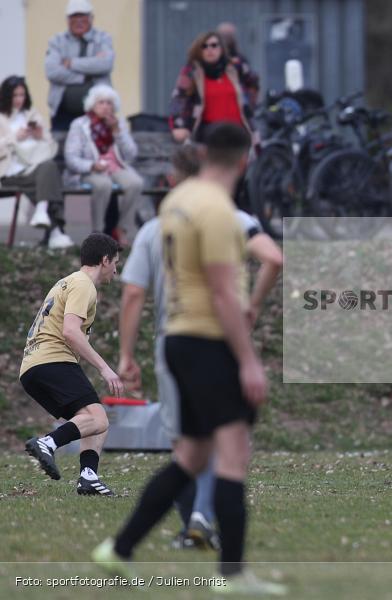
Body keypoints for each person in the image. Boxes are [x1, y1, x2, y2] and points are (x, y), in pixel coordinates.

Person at [93, 123, 285, 596]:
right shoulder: (218, 211)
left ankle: (118, 550)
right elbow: (223, 293)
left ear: (202, 154)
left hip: (177, 336)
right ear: (244, 161)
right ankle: (233, 576)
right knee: (233, 454)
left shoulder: (175, 203)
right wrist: (248, 360)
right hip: (208, 339)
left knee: (194, 454)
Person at [20, 233, 123, 495]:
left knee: (90, 416)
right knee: (98, 418)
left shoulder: (67, 282)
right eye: (115, 263)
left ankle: (88, 476)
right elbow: (70, 331)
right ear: (104, 259)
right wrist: (104, 368)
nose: (116, 270)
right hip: (52, 360)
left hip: (33, 366)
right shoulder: (84, 285)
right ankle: (47, 443)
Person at [0, 76, 73, 249]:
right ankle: (56, 231)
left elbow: (50, 147)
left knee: (48, 168)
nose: (19, 99)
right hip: (10, 171)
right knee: (49, 177)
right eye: (15, 95)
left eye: (22, 95)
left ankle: (43, 211)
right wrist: (13, 138)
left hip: (34, 166)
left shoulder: (31, 114)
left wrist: (40, 136)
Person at [64, 84, 143, 244]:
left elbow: (131, 154)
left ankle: (122, 228)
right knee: (103, 185)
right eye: (101, 103)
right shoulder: (80, 125)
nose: (106, 107)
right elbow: (71, 157)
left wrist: (117, 132)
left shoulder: (117, 123)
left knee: (136, 183)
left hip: (115, 168)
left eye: (109, 103)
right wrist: (92, 165)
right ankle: (98, 232)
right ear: (92, 105)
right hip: (89, 170)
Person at [169, 31, 255, 144]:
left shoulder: (235, 67)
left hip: (238, 132)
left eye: (214, 45)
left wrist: (250, 104)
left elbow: (253, 83)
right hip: (208, 135)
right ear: (199, 50)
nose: (209, 49)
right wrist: (178, 125)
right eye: (204, 46)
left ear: (221, 48)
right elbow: (179, 99)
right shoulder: (191, 72)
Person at [45, 0, 114, 132]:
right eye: (74, 17)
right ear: (67, 20)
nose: (78, 21)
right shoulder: (57, 41)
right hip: (63, 114)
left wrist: (71, 63)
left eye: (82, 16)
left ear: (91, 18)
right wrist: (86, 74)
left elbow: (106, 64)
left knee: (98, 148)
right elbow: (52, 71)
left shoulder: (103, 38)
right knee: (61, 149)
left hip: (98, 113)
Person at [216, 22, 260, 111]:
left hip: (238, 106)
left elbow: (252, 81)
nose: (225, 39)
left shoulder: (240, 61)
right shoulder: (210, 60)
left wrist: (252, 104)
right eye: (223, 35)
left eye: (228, 36)